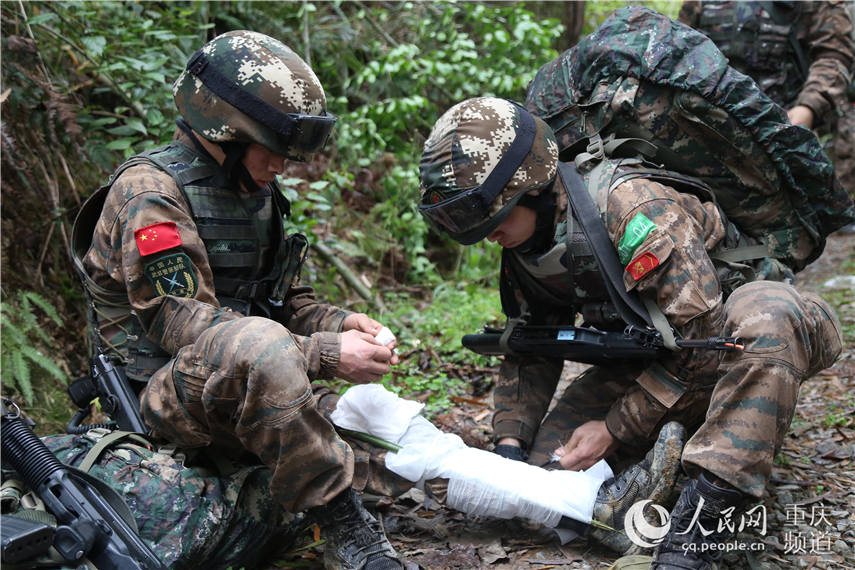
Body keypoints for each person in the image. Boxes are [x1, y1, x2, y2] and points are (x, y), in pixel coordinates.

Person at [417, 97, 844, 567]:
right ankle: (659, 470)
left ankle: (706, 514)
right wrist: (509, 447)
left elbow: (704, 345)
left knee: (765, 316)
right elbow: (531, 345)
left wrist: (613, 428)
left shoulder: (631, 207)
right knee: (543, 482)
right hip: (661, 362)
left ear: (530, 186)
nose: (488, 235)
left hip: (741, 343)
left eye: (495, 219)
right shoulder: (528, 245)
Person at [73, 30, 404, 570]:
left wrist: (343, 323)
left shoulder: (256, 193)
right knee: (261, 345)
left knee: (396, 449)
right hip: (159, 399)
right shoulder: (150, 195)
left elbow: (284, 302)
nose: (284, 164)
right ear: (224, 129)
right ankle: (344, 523)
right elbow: (183, 322)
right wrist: (323, 353)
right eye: (273, 147)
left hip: (240, 384)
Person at [678, 0, 855, 202]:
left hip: (786, 136)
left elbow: (833, 55)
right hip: (713, 135)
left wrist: (808, 107)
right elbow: (682, 49)